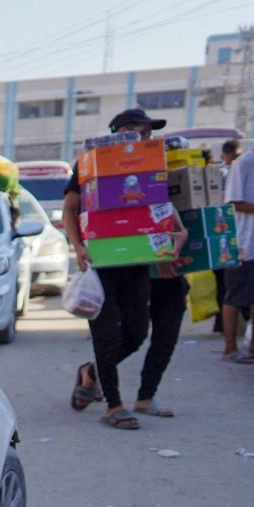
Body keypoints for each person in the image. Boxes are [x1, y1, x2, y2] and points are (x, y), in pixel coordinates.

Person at [63, 108, 188, 426]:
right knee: (105, 335)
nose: (144, 138)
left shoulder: (151, 167)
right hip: (101, 262)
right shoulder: (90, 163)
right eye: (138, 131)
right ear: (119, 132)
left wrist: (178, 237)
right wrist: (77, 246)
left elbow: (161, 208)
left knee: (135, 333)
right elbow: (71, 208)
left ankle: (89, 373)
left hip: (136, 262)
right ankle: (114, 406)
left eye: (147, 133)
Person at [222, 139, 254, 363]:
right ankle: (230, 348)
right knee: (235, 296)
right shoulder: (243, 164)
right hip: (244, 242)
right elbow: (234, 202)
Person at [213, 139, 243, 322]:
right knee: (239, 283)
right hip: (239, 235)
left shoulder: (218, 173)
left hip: (220, 233)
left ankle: (221, 323)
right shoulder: (242, 172)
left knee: (223, 284)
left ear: (223, 156)